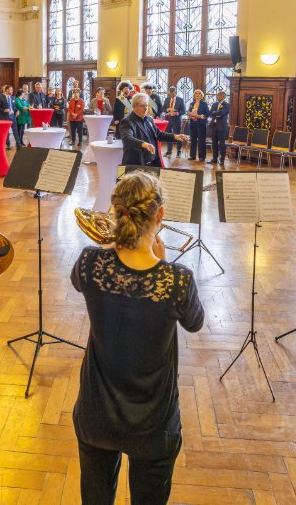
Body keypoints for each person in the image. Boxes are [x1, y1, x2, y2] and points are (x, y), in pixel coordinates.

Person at [71, 172, 204, 504]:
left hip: (95, 415)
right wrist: (162, 263)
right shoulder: (176, 281)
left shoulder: (90, 263)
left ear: (117, 211)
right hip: (153, 424)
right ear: (159, 216)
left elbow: (80, 281)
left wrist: (113, 247)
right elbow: (196, 322)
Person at [119, 94, 188, 168]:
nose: (145, 108)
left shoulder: (149, 119)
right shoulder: (127, 121)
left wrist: (175, 136)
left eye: (147, 106)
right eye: (142, 106)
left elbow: (158, 134)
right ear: (134, 106)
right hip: (136, 163)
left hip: (153, 162)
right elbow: (127, 138)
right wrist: (144, 144)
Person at [186, 89, 210, 162]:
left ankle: (202, 157)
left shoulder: (204, 104)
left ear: (201, 95)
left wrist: (198, 116)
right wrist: (190, 116)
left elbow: (207, 114)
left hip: (201, 124)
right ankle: (192, 156)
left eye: (199, 93)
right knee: (193, 140)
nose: (197, 94)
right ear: (194, 95)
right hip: (192, 124)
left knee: (201, 140)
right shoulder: (191, 104)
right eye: (196, 93)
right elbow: (189, 112)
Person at [162, 87, 186, 158]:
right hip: (168, 120)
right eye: (170, 93)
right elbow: (163, 109)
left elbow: (183, 111)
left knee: (178, 135)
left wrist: (177, 113)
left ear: (176, 92)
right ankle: (169, 151)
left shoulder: (180, 100)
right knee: (169, 135)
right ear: (169, 92)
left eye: (173, 93)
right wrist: (167, 110)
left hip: (177, 120)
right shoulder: (166, 99)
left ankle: (178, 152)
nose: (172, 94)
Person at [209, 90, 230, 166]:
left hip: (222, 127)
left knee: (221, 144)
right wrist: (216, 113)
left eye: (219, 95)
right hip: (214, 126)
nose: (217, 97)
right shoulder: (214, 104)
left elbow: (223, 112)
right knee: (214, 143)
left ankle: (222, 160)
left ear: (224, 97)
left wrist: (216, 113)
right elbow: (210, 113)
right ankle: (214, 159)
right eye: (217, 95)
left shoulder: (226, 105)